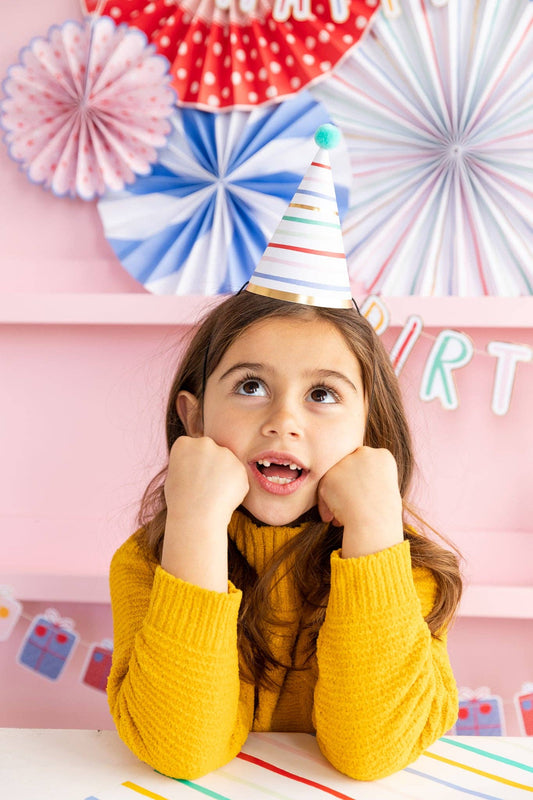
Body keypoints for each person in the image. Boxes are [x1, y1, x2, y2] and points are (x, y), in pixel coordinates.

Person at [107, 126, 462, 783]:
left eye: (323, 394)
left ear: (369, 435)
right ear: (192, 419)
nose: (283, 421)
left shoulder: (409, 573)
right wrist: (193, 526)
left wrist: (377, 528)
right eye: (250, 386)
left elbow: (370, 754)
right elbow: (180, 752)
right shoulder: (148, 564)